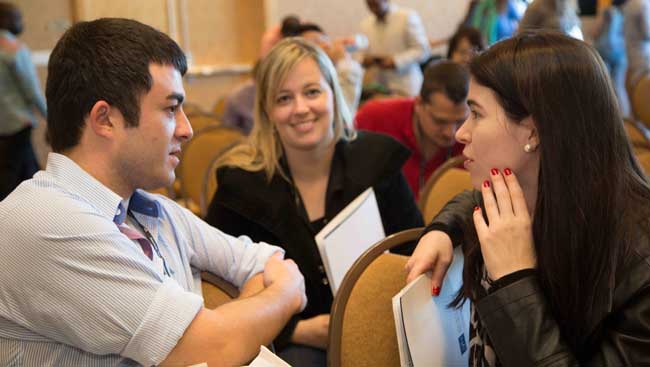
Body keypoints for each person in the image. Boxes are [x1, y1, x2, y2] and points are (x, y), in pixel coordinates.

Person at [0, 18, 307, 366]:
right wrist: (283, 295)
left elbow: (264, 262)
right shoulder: (43, 221)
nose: (186, 129)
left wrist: (230, 324)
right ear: (105, 120)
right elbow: (216, 347)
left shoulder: (152, 210)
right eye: (171, 109)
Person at [405, 32, 650, 365]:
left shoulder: (640, 262)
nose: (461, 133)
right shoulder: (536, 195)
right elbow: (472, 199)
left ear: (533, 133)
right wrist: (443, 229)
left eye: (476, 114)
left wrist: (514, 281)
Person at [205, 37, 423, 366]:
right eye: (284, 98)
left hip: (386, 334)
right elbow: (218, 293)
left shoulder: (378, 162)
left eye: (312, 92)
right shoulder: (240, 189)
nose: (301, 108)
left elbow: (416, 256)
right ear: (267, 110)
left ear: (333, 93)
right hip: (289, 348)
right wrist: (295, 330)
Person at [222, 19, 363, 133]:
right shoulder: (244, 97)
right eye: (314, 44)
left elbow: (343, 122)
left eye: (312, 92)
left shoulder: (335, 83)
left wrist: (345, 63)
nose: (325, 47)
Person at [355, 60, 469, 200]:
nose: (451, 133)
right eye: (440, 121)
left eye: (460, 121)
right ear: (419, 104)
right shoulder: (375, 118)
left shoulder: (474, 134)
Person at [0, 2, 46, 200]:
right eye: (18, 18)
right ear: (5, 20)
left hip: (3, 128)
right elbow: (32, 91)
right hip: (18, 123)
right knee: (14, 179)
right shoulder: (14, 49)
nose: (22, 22)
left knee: (28, 172)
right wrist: (52, 117)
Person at [359, 0, 431, 96]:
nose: (372, 6)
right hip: (380, 89)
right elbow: (361, 54)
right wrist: (365, 61)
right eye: (369, 4)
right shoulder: (365, 25)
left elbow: (423, 50)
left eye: (375, 3)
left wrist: (396, 61)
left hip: (407, 87)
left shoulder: (407, 17)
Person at [622, 0, 650, 91]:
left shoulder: (629, 4)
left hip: (632, 52)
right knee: (642, 89)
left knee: (636, 87)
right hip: (642, 55)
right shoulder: (642, 3)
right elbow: (647, 33)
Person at [518, 0, 583, 39]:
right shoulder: (537, 6)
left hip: (565, 50)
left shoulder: (570, 3)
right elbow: (520, 34)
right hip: (545, 53)